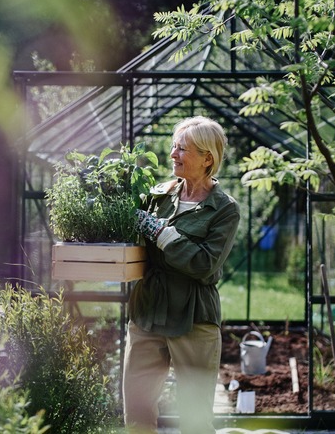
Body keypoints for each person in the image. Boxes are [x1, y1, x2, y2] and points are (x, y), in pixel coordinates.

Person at [123, 116, 240, 433]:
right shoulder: (158, 195)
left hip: (193, 319)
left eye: (182, 149)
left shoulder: (224, 209)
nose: (173, 154)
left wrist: (160, 232)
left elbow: (204, 263)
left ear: (207, 159)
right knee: (136, 411)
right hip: (147, 312)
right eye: (174, 147)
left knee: (194, 419)